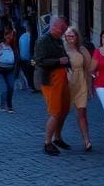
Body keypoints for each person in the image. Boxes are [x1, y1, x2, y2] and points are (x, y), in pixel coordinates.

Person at [34, 15, 72, 156]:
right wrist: (58, 61)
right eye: (62, 28)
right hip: (50, 79)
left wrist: (66, 62)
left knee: (64, 109)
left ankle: (57, 137)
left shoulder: (58, 40)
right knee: (55, 112)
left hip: (62, 78)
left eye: (65, 28)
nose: (64, 30)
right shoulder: (43, 41)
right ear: (54, 26)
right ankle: (47, 142)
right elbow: (39, 61)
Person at [64, 26, 93, 151]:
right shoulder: (62, 50)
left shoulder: (82, 50)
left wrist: (90, 87)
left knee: (82, 113)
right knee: (61, 113)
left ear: (77, 37)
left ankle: (87, 140)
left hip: (80, 83)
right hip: (67, 85)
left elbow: (89, 69)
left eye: (72, 36)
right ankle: (55, 136)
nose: (70, 38)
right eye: (68, 36)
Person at [0, 27, 18, 113]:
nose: (10, 38)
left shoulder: (14, 47)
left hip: (10, 70)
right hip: (0, 70)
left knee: (11, 87)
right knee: (4, 89)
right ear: (5, 36)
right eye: (8, 36)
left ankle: (10, 105)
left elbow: (16, 59)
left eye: (12, 36)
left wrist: (16, 69)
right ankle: (2, 104)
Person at [18, 24, 37, 92]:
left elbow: (20, 48)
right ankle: (33, 86)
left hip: (23, 59)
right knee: (33, 70)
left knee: (28, 72)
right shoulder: (33, 36)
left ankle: (30, 85)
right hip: (31, 59)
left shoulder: (21, 36)